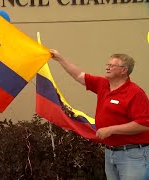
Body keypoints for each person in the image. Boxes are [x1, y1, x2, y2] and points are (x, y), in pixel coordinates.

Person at [50, 49, 149, 179]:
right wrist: (59, 58)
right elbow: (79, 75)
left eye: (112, 66)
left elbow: (144, 124)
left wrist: (111, 130)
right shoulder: (103, 84)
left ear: (124, 70)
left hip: (132, 155)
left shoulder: (135, 93)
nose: (107, 68)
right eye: (107, 65)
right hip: (111, 153)